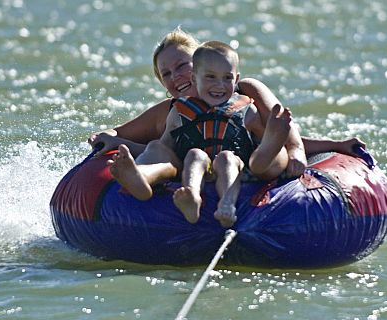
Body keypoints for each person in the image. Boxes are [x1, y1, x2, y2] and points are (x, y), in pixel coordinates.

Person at [88, 27, 365, 177]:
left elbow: (283, 127)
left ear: (199, 63)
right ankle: (144, 180)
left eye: (181, 66)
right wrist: (109, 139)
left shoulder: (245, 90)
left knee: (266, 138)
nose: (176, 77)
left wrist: (313, 150)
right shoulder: (170, 111)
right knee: (157, 148)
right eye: (166, 74)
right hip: (195, 171)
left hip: (252, 163)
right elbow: (122, 134)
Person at [110, 41, 292, 228]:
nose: (219, 85)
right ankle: (145, 178)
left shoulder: (246, 109)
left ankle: (228, 203)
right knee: (166, 149)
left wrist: (293, 147)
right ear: (195, 77)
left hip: (237, 166)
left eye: (227, 78)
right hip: (192, 165)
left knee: (229, 158)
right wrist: (120, 143)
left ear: (236, 79)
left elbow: (264, 139)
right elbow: (165, 147)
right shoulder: (178, 111)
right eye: (211, 77)